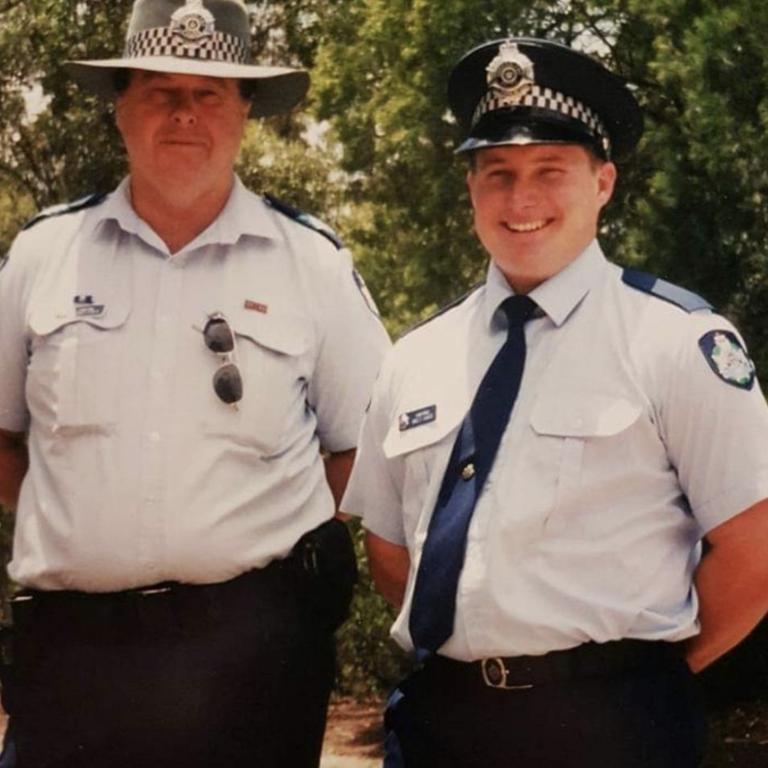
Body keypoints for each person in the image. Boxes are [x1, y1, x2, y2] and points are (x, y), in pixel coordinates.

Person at [341, 37, 768, 767]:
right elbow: (388, 550)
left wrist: (646, 679)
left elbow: (754, 550)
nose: (522, 199)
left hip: (614, 726)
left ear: (603, 182)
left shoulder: (674, 340)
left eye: (550, 170)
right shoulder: (415, 357)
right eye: (497, 173)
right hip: (440, 723)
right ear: (471, 188)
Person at [0, 1, 389, 766]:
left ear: (245, 112)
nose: (185, 114)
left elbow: (367, 457)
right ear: (121, 110)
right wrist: (84, 516)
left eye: (209, 93)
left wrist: (252, 547)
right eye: (160, 91)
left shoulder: (309, 264)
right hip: (73, 655)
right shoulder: (43, 256)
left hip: (252, 662)